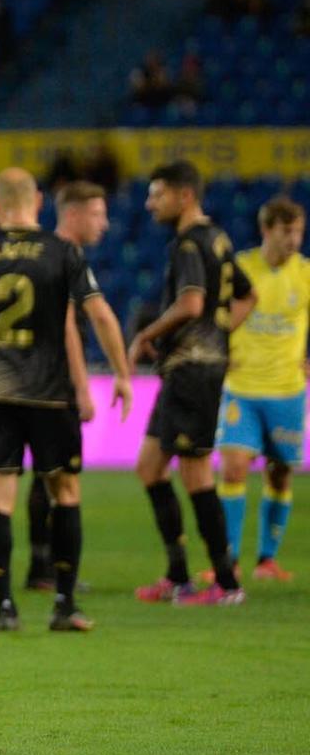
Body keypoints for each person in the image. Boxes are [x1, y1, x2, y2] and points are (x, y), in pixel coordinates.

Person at [0, 168, 131, 632]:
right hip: (51, 396)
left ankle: (5, 607)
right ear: (36, 199)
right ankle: (64, 605)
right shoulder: (63, 251)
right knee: (65, 493)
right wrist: (122, 374)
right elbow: (100, 315)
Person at [128, 161, 256, 606]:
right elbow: (248, 294)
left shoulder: (188, 243)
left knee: (196, 472)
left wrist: (147, 334)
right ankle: (178, 575)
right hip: (188, 368)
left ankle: (226, 583)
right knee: (149, 466)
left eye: (157, 194)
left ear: (184, 196)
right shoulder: (217, 238)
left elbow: (191, 302)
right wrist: (221, 338)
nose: (150, 203)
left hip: (193, 371)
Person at [24, 181, 117, 589]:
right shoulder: (65, 256)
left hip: (26, 377)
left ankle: (39, 567)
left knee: (43, 474)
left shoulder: (40, 252)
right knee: (59, 476)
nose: (105, 224)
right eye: (98, 214)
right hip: (54, 381)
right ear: (74, 214)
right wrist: (83, 386)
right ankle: (53, 570)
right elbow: (69, 327)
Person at [217, 197, 307, 579]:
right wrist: (221, 349)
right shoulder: (241, 268)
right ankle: (229, 560)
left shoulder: (305, 274)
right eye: (287, 232)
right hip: (242, 387)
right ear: (267, 230)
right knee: (234, 469)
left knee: (280, 473)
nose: (294, 240)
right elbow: (216, 312)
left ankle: (267, 559)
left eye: (299, 232)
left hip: (287, 389)